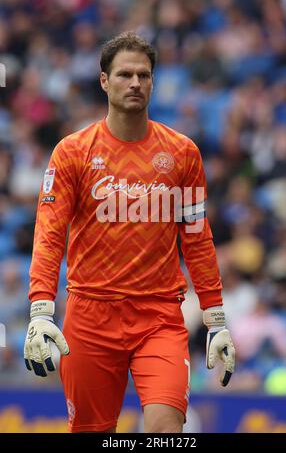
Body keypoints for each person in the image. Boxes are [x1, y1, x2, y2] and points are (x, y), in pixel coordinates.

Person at [24, 31, 235, 433]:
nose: (135, 83)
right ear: (104, 81)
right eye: (124, 75)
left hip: (159, 318)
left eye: (144, 75)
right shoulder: (71, 152)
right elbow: (50, 232)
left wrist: (216, 318)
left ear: (154, 81)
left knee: (165, 429)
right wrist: (40, 307)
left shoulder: (183, 153)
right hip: (89, 316)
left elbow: (196, 236)